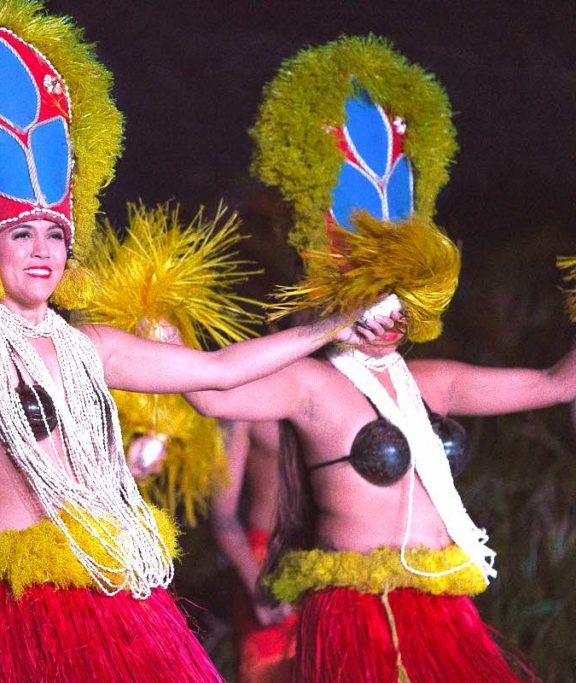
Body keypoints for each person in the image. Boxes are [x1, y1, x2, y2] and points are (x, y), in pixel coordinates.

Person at [0, 3, 391, 680]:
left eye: (55, 235)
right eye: (22, 234)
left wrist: (328, 325)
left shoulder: (92, 346)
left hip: (102, 589)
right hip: (10, 603)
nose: (42, 250)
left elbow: (220, 370)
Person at [186, 36, 573, 681]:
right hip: (359, 616)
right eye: (374, 300)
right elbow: (211, 392)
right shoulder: (311, 387)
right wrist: (180, 336)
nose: (393, 316)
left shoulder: (433, 382)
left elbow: (556, 384)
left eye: (403, 298)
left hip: (443, 609)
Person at [211, 420, 296, 682]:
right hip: (264, 564)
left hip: (327, 562)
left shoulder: (342, 390)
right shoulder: (243, 406)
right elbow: (222, 516)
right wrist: (257, 584)